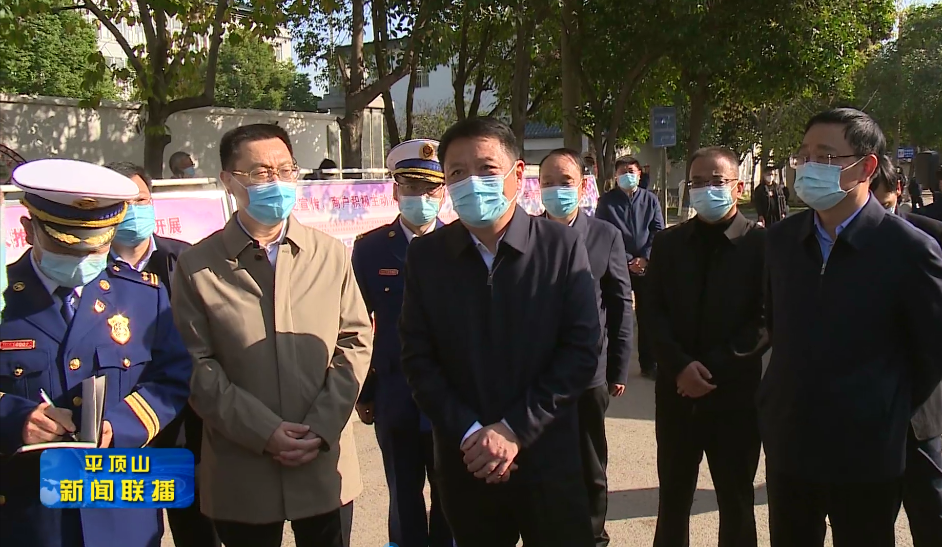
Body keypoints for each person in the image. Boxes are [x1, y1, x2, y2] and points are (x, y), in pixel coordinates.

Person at [399, 117, 601, 547]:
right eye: (457, 172)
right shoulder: (427, 257)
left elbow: (581, 350)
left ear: (518, 173)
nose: (472, 183)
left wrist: (514, 429)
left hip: (548, 457)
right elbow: (418, 358)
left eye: (486, 169)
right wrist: (472, 433)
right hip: (467, 461)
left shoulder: (561, 247)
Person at [170, 124, 373, 547]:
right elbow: (195, 365)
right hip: (242, 469)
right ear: (229, 181)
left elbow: (354, 341)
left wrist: (321, 427)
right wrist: (263, 432)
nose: (276, 182)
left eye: (285, 170)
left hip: (323, 463)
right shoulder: (197, 266)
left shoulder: (329, 254)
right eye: (261, 173)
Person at [761, 107, 942, 547]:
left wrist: (882, 407)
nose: (809, 166)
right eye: (804, 155)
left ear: (866, 167)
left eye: (825, 156)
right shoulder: (782, 242)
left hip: (867, 454)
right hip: (791, 443)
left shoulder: (909, 249)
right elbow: (777, 327)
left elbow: (931, 355)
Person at [0, 158, 193, 547]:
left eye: (97, 246)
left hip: (120, 509)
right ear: (28, 229)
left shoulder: (143, 295)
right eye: (67, 245)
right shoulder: (4, 297)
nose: (83, 259)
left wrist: (121, 425)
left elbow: (173, 377)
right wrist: (14, 418)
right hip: (28, 514)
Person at [646, 147, 768, 547]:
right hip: (676, 394)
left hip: (734, 397)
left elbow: (764, 321)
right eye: (697, 182)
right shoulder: (669, 243)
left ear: (739, 187)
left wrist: (711, 369)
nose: (705, 189)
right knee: (673, 498)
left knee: (736, 500)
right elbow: (653, 312)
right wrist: (680, 367)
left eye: (716, 181)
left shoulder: (761, 245)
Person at [104, 161, 219, 547]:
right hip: (121, 424)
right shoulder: (90, 270)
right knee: (131, 532)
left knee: (198, 529)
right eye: (122, 204)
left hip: (187, 423)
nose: (134, 211)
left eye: (141, 200)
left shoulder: (185, 260)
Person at [351, 139, 453, 547]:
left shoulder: (462, 244)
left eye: (430, 189)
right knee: (403, 494)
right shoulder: (370, 249)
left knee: (449, 495)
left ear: (443, 194)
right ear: (395, 191)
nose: (421, 197)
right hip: (396, 394)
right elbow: (356, 326)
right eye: (411, 187)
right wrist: (365, 391)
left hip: (451, 395)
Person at [538, 148, 633, 546]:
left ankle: (593, 533)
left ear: (582, 187)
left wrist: (618, 368)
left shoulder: (605, 235)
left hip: (589, 373)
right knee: (540, 459)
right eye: (548, 183)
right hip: (537, 372)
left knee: (589, 459)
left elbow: (620, 303)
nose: (556, 190)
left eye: (566, 182)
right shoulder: (526, 234)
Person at [870, 157, 942, 547]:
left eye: (884, 205)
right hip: (863, 419)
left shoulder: (929, 238)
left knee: (931, 516)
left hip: (921, 413)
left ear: (898, 192)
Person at [596, 155, 664, 379]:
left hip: (646, 268)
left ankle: (649, 363)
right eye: (622, 172)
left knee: (648, 316)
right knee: (616, 315)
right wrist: (625, 259)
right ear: (615, 176)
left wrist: (645, 257)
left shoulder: (650, 199)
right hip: (617, 266)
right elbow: (603, 232)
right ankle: (612, 366)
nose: (627, 175)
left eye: (631, 171)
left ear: (639, 174)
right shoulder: (606, 202)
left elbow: (658, 230)